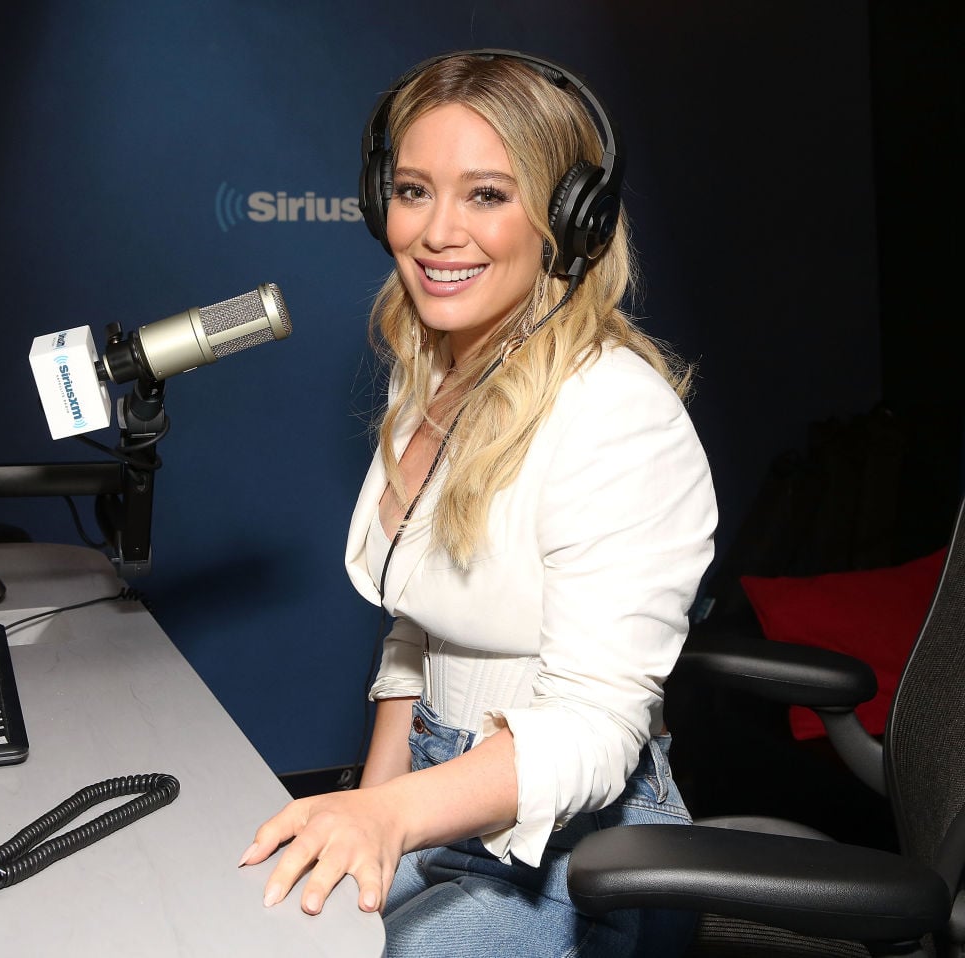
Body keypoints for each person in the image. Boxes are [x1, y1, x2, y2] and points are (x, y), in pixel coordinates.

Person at [238, 50, 717, 957]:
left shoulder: (618, 415)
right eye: (413, 191)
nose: (436, 232)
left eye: (487, 195)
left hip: (579, 845)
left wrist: (392, 818)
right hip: (436, 793)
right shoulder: (428, 378)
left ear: (570, 220)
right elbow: (414, 633)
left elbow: (592, 730)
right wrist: (373, 813)